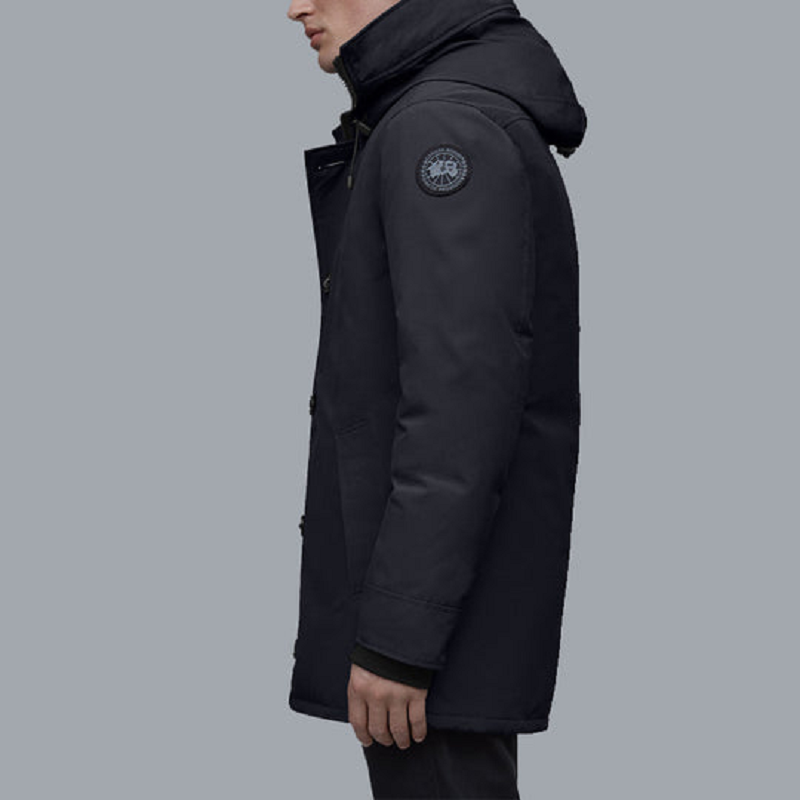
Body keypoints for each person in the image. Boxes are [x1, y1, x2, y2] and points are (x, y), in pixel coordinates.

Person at [285, 0, 587, 796]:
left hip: (432, 639)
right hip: (444, 618)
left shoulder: (440, 129)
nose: (295, 7)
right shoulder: (431, 118)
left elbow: (461, 407)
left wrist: (399, 640)